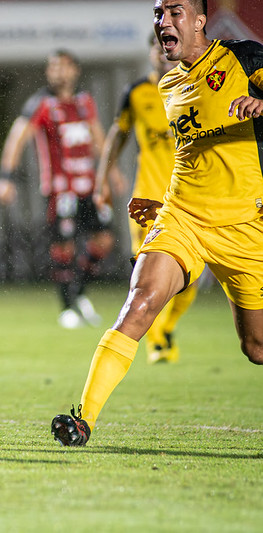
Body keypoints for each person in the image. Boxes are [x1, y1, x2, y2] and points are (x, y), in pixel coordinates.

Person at [52, 0, 263, 447]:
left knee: (256, 347)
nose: (163, 21)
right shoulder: (167, 86)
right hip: (181, 216)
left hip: (245, 223)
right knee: (140, 302)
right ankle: (83, 419)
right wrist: (158, 201)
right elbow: (191, 153)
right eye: (158, 13)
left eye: (175, 12)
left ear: (201, 21)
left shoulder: (243, 59)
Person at [0, 50, 116, 329]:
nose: (58, 72)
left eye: (63, 66)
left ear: (75, 70)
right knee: (64, 246)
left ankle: (80, 293)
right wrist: (6, 176)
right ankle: (66, 308)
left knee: (104, 241)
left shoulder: (85, 101)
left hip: (90, 186)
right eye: (53, 67)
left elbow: (99, 138)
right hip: (62, 189)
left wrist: (112, 172)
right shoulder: (41, 103)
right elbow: (17, 138)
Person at [95, 33, 197, 364]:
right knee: (146, 269)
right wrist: (102, 182)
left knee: (192, 274)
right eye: (155, 47)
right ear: (151, 53)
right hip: (148, 199)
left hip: (189, 198)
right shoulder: (137, 93)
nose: (161, 53)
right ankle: (154, 336)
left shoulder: (196, 89)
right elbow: (117, 135)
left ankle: (165, 326)